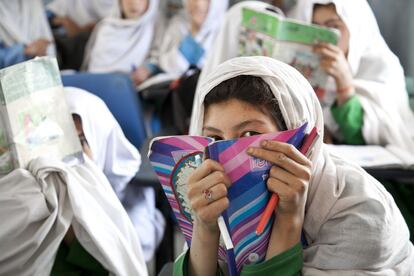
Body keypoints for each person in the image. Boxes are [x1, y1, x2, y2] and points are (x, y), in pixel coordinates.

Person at [173, 56, 414, 275]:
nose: (228, 158)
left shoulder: (361, 210)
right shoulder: (215, 191)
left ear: (298, 138)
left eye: (249, 133)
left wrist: (288, 219)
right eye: (214, 139)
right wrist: (205, 226)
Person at [199, 0, 414, 153]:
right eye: (315, 28)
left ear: (356, 28)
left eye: (333, 27)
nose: (322, 39)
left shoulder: (382, 69)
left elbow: (366, 138)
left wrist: (344, 85)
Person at [0, 99, 147, 275]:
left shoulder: (119, 224)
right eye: (50, 140)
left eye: (79, 142)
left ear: (101, 144)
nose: (60, 156)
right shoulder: (20, 200)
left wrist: (71, 221)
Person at [64, 87, 165, 262]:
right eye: (60, 141)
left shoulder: (132, 212)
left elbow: (127, 259)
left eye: (80, 141)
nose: (68, 155)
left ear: (101, 141)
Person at [132, 0, 229, 85]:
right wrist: (193, 33)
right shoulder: (178, 24)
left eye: (206, 0)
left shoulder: (227, 28)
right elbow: (166, 65)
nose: (198, 4)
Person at [83, 0, 163, 74]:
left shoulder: (156, 28)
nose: (134, 3)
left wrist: (148, 68)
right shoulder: (105, 28)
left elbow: (159, 57)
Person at [46, 0, 115, 70]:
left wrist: (82, 30)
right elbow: (47, 15)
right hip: (59, 39)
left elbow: (118, 23)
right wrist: (63, 21)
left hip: (90, 41)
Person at [0, 0, 55, 68]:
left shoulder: (31, 3)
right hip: (12, 73)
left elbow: (51, 8)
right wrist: (25, 51)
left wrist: (58, 19)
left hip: (44, 67)